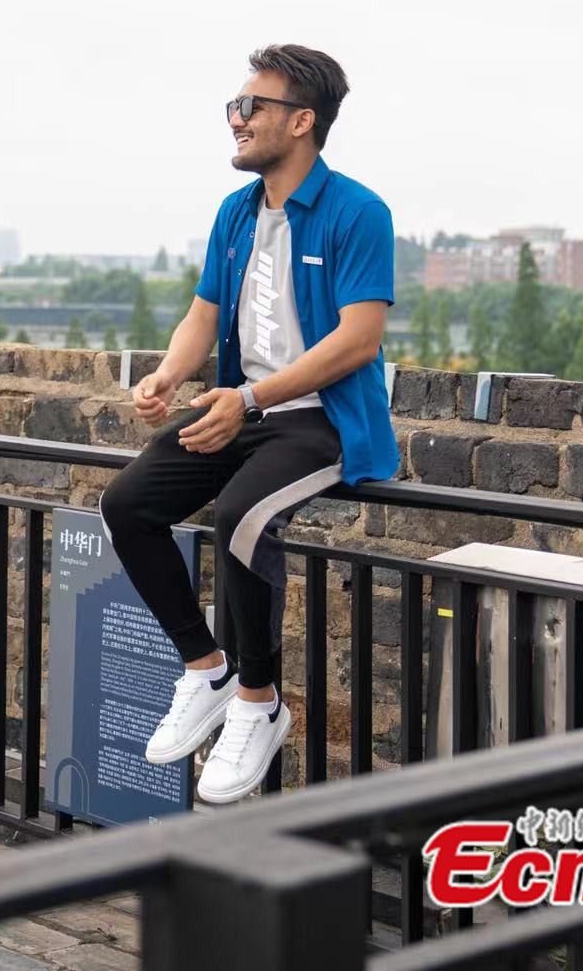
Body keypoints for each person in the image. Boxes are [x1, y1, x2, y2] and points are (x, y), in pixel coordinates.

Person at [98, 44, 396, 804]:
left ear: (301, 122)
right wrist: (169, 373)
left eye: (251, 108)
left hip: (317, 422)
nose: (236, 121)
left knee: (239, 517)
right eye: (234, 107)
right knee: (128, 505)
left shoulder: (358, 211)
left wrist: (251, 402)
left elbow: (359, 338)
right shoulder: (235, 213)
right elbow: (204, 312)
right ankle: (207, 670)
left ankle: (261, 705)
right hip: (241, 411)